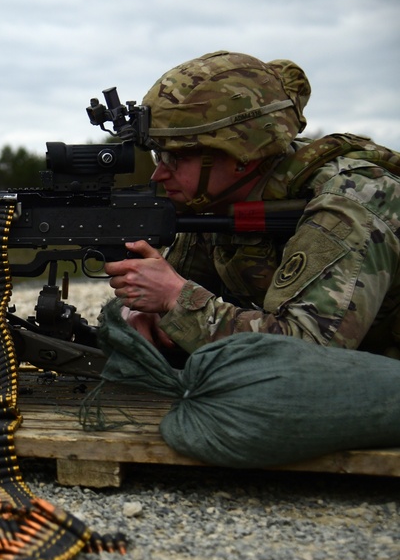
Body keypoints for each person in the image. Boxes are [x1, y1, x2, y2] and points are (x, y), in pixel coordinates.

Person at [103, 50, 400, 359]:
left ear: (241, 154)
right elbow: (172, 286)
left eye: (174, 157)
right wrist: (143, 310)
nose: (158, 173)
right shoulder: (219, 201)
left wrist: (175, 300)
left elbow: (307, 356)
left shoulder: (351, 203)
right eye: (158, 155)